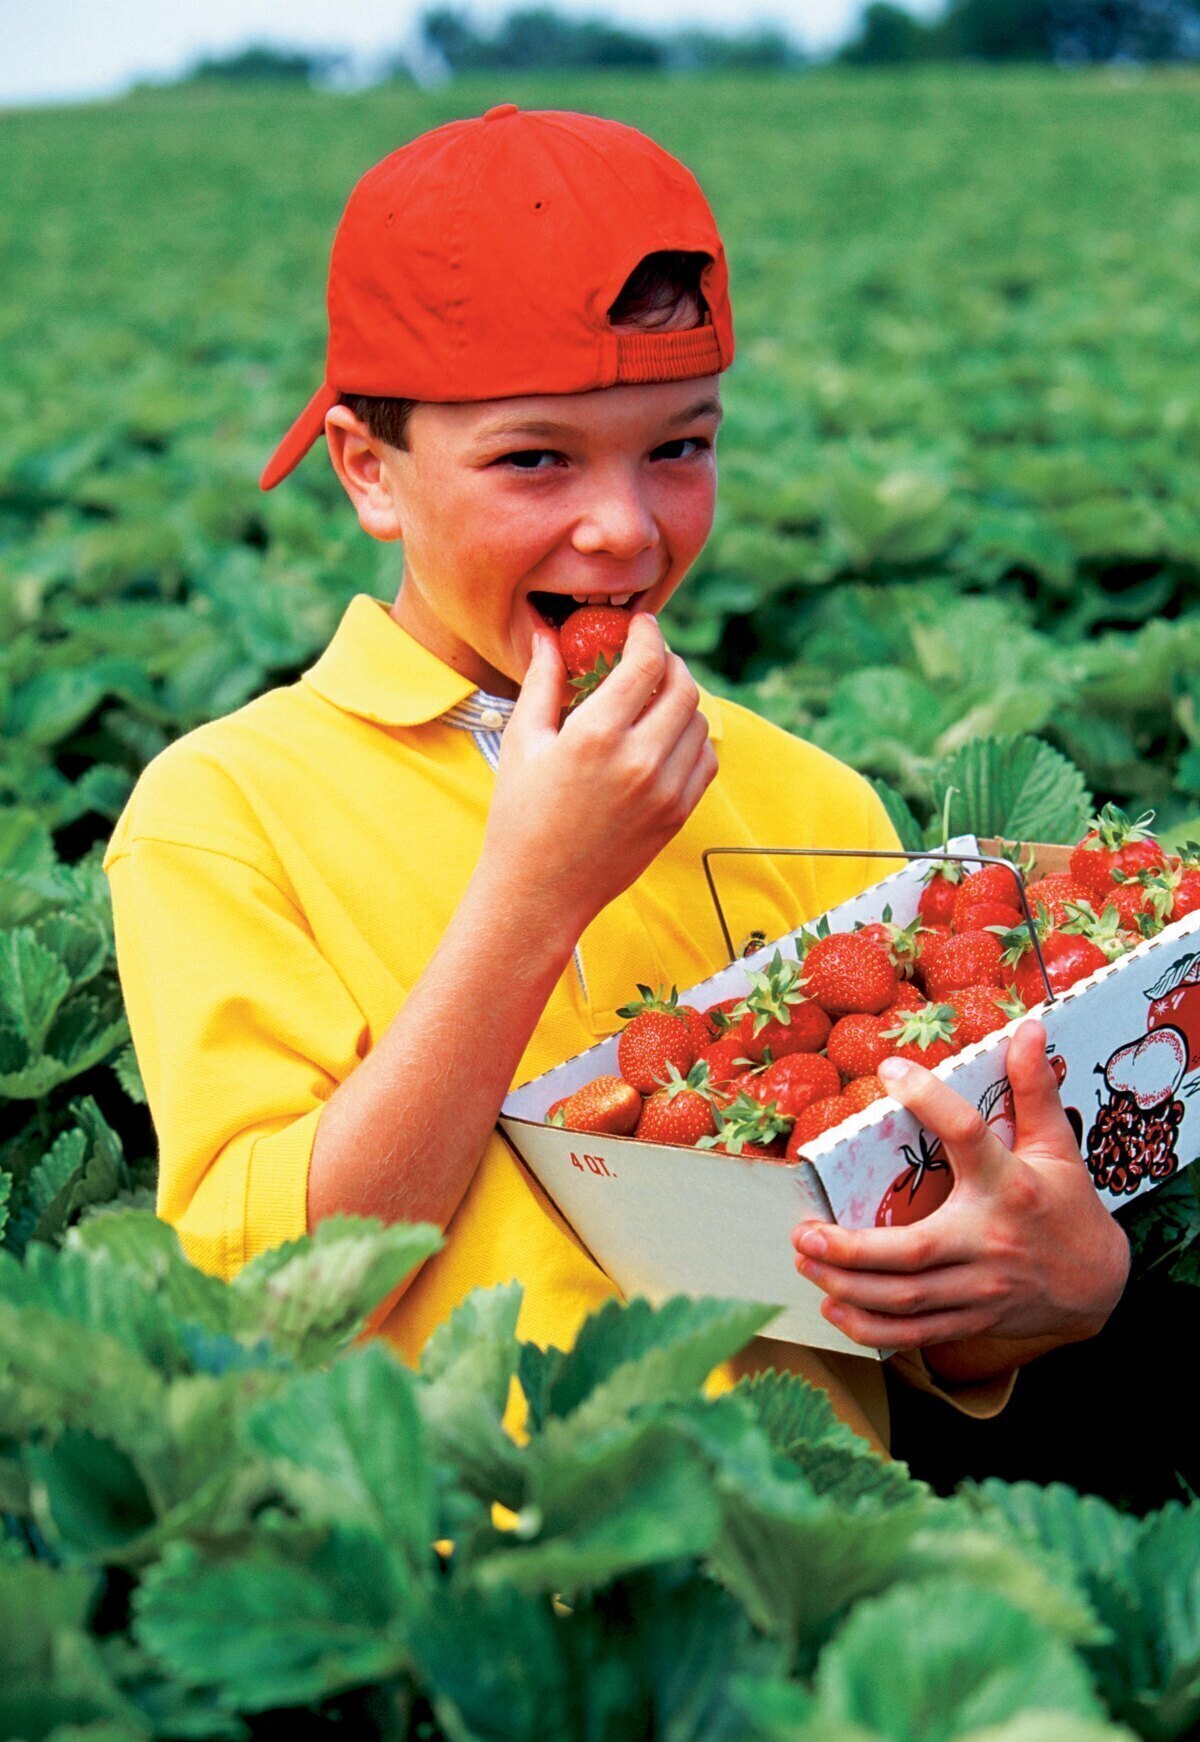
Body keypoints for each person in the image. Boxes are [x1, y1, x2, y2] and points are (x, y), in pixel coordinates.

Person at [101, 104, 1129, 1457]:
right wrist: (534, 897)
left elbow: (890, 1273)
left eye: (680, 446)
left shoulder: (808, 798)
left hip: (785, 1573)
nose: (626, 527)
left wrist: (1047, 1290)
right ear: (370, 471)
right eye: (535, 457)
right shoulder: (222, 813)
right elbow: (271, 1296)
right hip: (467, 1589)